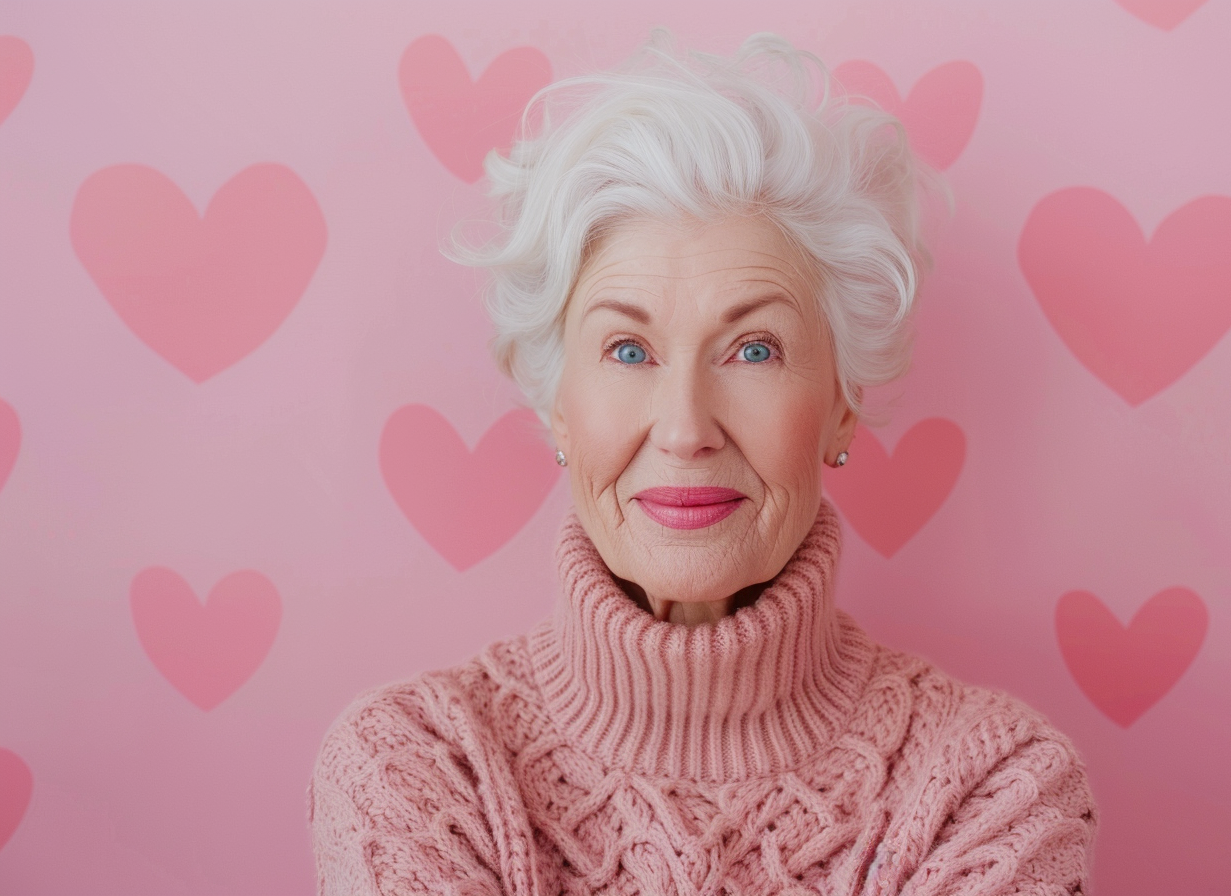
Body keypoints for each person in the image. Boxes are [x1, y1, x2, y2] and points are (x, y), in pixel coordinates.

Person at [309, 32, 1096, 895]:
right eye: (627, 349)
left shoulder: (989, 789)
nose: (685, 429)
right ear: (556, 403)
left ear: (842, 401)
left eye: (753, 350)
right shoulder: (418, 767)